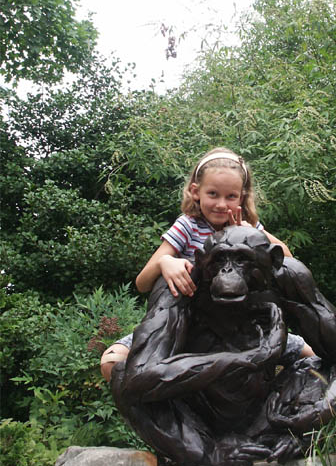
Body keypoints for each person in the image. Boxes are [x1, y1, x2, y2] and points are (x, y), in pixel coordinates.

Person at [100, 148, 314, 381]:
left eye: (231, 196)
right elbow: (142, 283)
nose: (221, 204)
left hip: (243, 325)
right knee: (112, 362)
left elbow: (288, 261)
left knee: (313, 355)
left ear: (242, 197)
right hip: (189, 325)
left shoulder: (247, 230)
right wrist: (165, 262)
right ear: (196, 192)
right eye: (213, 194)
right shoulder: (188, 226)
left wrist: (253, 232)